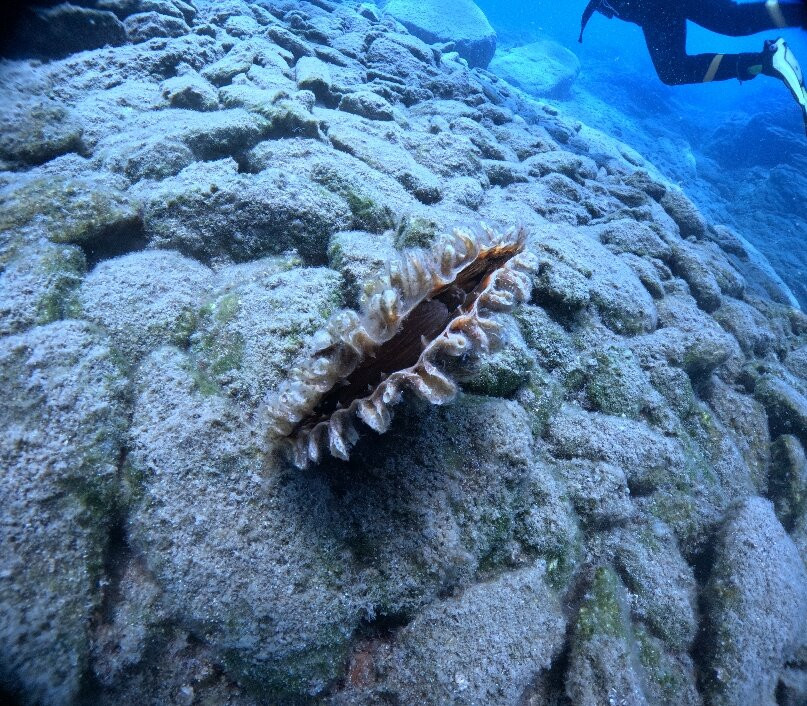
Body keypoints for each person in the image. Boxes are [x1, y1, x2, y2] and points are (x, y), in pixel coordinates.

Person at [578, 0, 807, 132]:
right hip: (655, 11)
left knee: (732, 21)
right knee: (673, 71)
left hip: (654, 7)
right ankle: (767, 62)